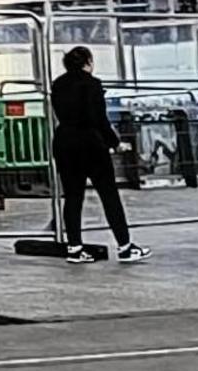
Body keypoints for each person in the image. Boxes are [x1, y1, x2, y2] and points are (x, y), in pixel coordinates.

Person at [48, 46, 141, 263]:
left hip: (64, 142)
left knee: (72, 197)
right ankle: (125, 246)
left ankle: (74, 247)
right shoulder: (92, 84)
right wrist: (115, 143)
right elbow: (98, 119)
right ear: (88, 62)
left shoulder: (58, 85)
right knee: (109, 195)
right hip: (90, 144)